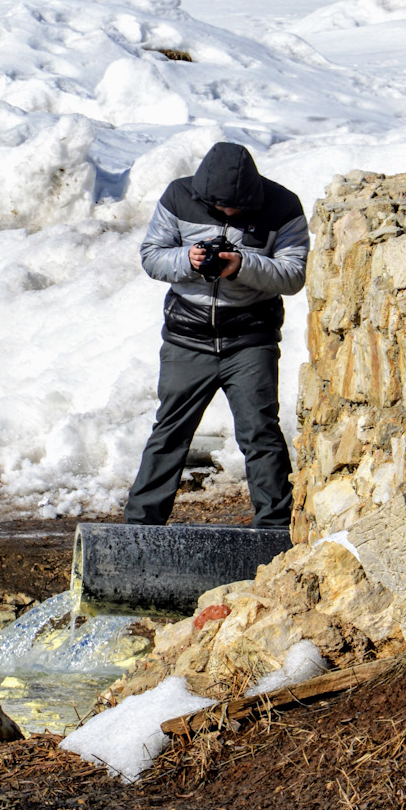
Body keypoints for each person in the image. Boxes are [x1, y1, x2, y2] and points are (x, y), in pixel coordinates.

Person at [124, 141, 307, 529]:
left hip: (251, 339)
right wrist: (186, 260)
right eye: (221, 208)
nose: (230, 214)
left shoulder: (283, 206)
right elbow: (152, 255)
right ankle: (140, 529)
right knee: (170, 433)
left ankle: (275, 530)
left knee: (261, 433)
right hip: (186, 337)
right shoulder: (178, 195)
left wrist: (242, 266)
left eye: (237, 209)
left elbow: (293, 275)